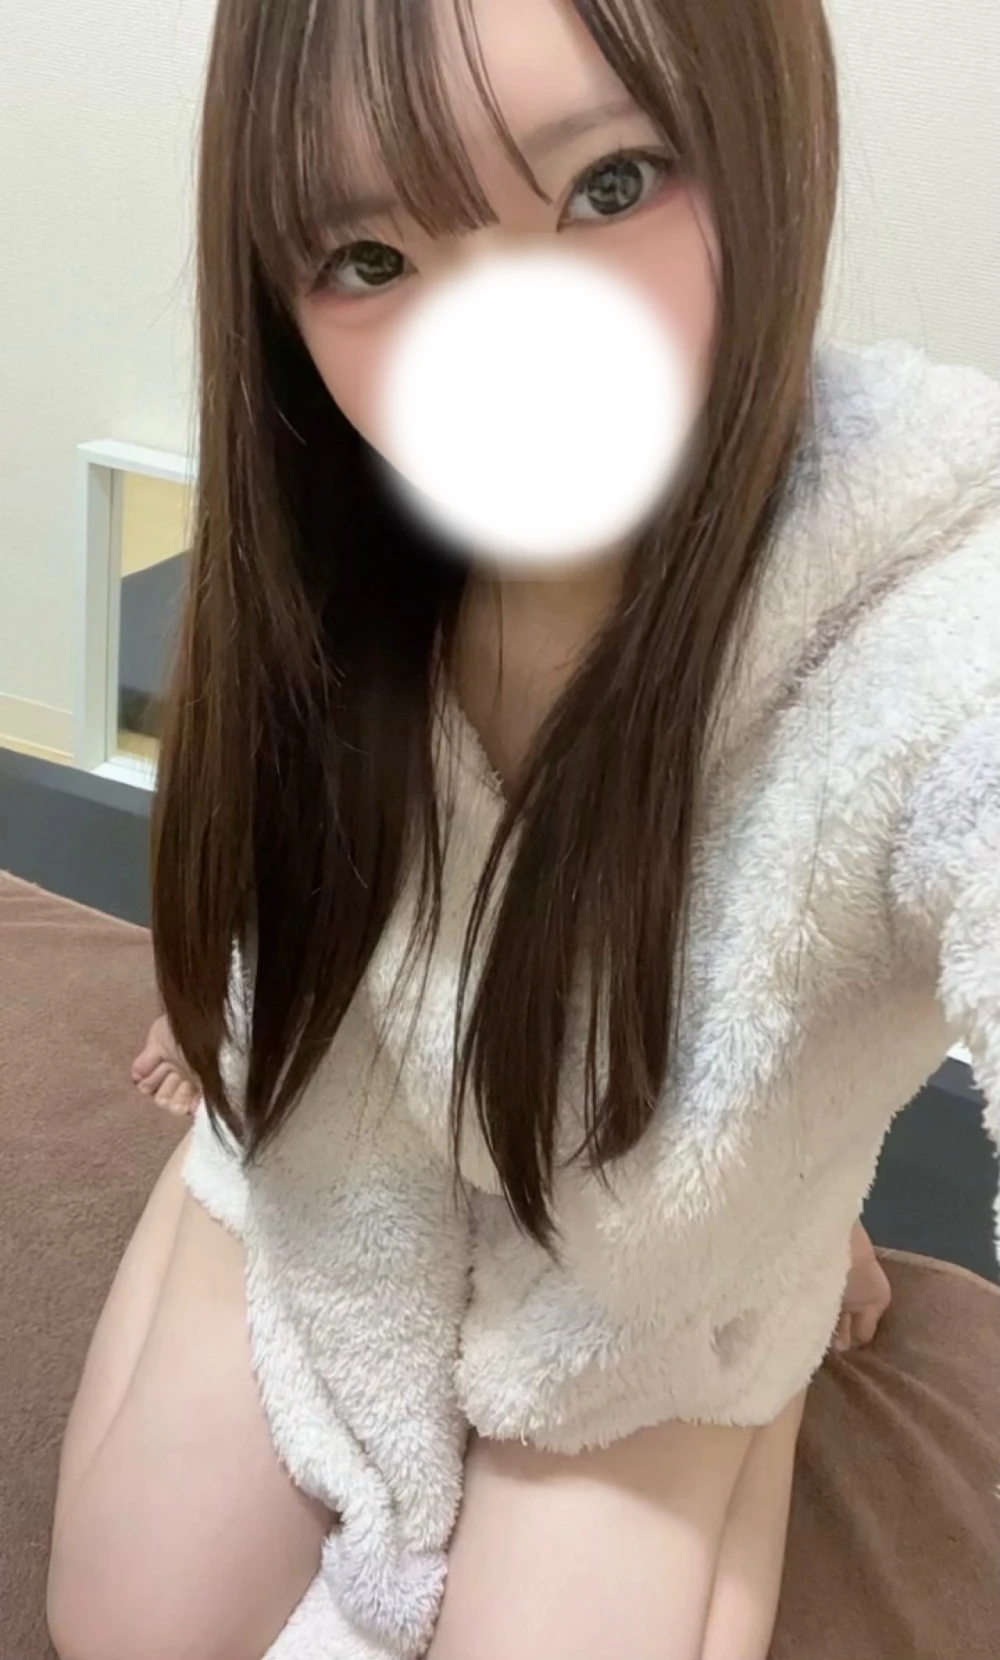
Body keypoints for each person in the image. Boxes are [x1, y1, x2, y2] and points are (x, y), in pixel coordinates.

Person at [47, 0, 1000, 1658]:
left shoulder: (927, 611)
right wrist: (248, 998)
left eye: (609, 184)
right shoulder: (332, 533)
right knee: (128, 1624)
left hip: (663, 1236)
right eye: (369, 256)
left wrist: (760, 1242)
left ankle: (775, 1283)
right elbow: (304, 816)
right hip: (360, 1114)